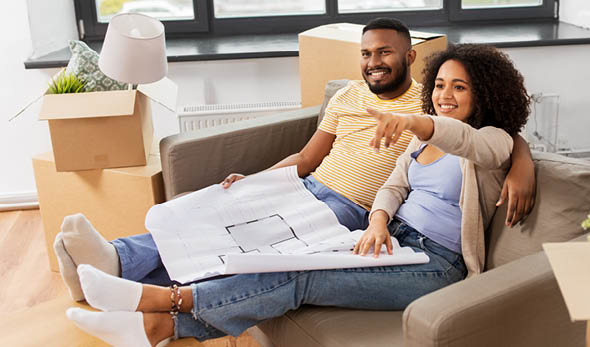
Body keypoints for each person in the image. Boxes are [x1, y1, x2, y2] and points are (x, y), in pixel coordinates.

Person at [65, 43, 532, 347]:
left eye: (460, 87)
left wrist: (416, 120)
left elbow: (465, 140)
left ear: (483, 94)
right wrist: (378, 220)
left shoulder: (493, 141)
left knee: (302, 278)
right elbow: (394, 186)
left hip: (436, 266)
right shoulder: (421, 140)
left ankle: (160, 304)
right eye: (441, 86)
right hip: (391, 239)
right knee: (285, 257)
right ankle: (152, 321)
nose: (446, 94)